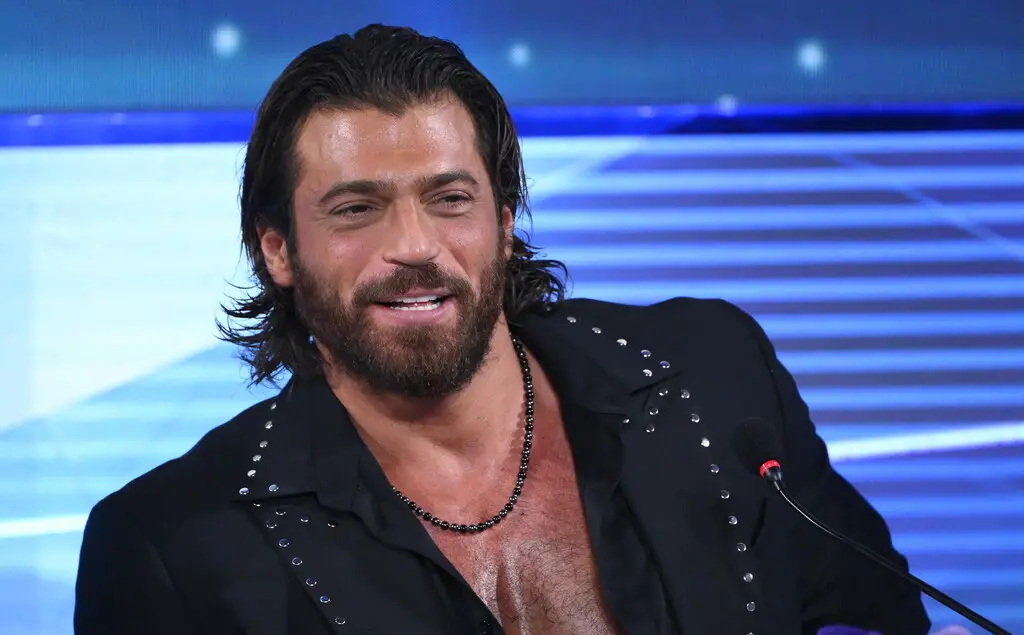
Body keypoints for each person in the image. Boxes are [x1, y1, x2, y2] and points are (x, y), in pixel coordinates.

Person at [74, 24, 931, 635]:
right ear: (277, 249)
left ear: (505, 222)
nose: (415, 247)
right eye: (357, 208)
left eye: (450, 198)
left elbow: (874, 615)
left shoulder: (712, 371)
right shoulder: (169, 546)